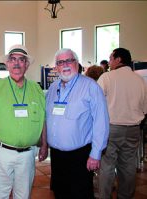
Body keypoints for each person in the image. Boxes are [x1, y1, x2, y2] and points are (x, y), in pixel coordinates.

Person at [0, 44, 48, 199]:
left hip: (28, 154)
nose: (17, 63)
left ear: (27, 65)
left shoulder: (36, 90)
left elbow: (43, 119)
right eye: (13, 59)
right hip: (0, 152)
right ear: (7, 64)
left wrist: (44, 144)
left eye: (21, 60)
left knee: (23, 195)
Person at [45, 48, 109, 199]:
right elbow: (47, 118)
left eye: (69, 60)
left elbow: (102, 122)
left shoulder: (91, 86)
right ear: (56, 67)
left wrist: (96, 154)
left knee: (81, 194)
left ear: (77, 63)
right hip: (56, 156)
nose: (65, 65)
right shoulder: (53, 89)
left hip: (80, 156)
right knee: (60, 193)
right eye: (61, 62)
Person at [97, 48, 147, 199]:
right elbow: (145, 109)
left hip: (111, 129)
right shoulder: (140, 80)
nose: (109, 62)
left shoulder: (107, 77)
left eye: (111, 58)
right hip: (133, 129)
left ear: (118, 59)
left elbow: (96, 104)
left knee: (107, 166)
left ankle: (104, 196)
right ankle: (125, 196)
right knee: (128, 166)